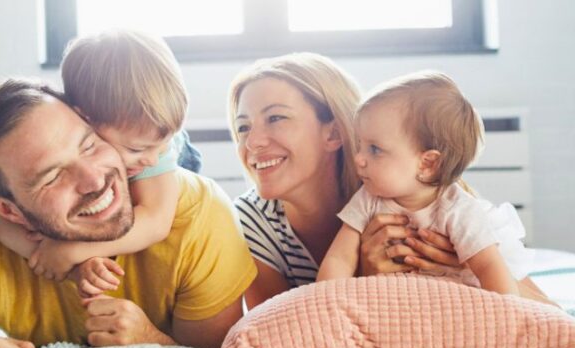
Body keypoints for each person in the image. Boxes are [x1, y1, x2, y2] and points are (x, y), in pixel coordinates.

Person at [0, 80, 256, 348]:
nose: (93, 180)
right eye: (52, 177)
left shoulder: (197, 216)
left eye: (90, 145)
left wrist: (153, 340)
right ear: (8, 211)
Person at [227, 53, 550, 310]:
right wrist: (365, 278)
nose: (252, 142)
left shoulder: (411, 183)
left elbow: (541, 310)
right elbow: (276, 332)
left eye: (275, 118)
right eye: (243, 127)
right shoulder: (252, 223)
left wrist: (465, 269)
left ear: (335, 133)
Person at [0, 30, 200, 297]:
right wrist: (60, 261)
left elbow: (156, 222)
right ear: (85, 121)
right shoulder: (60, 126)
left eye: (162, 144)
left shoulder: (155, 151)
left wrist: (74, 251)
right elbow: (3, 224)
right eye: (136, 148)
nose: (151, 158)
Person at [316, 71, 533, 296]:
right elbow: (339, 258)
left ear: (427, 163)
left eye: (375, 149)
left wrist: (505, 314)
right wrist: (325, 302)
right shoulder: (368, 198)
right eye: (360, 144)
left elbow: (490, 268)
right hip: (390, 307)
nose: (358, 158)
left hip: (449, 305)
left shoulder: (459, 210)